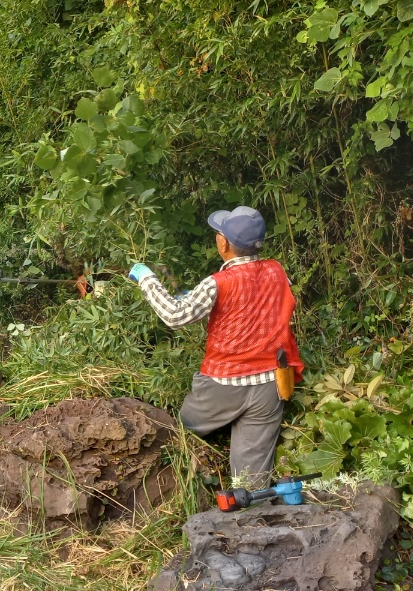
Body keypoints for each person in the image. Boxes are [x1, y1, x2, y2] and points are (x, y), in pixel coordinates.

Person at [128, 206, 303, 487]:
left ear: (223, 243)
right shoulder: (277, 270)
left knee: (174, 432)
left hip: (223, 386)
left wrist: (147, 279)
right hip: (270, 386)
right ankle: (252, 515)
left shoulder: (216, 283)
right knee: (250, 482)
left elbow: (175, 316)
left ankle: (175, 485)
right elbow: (254, 301)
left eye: (219, 234)